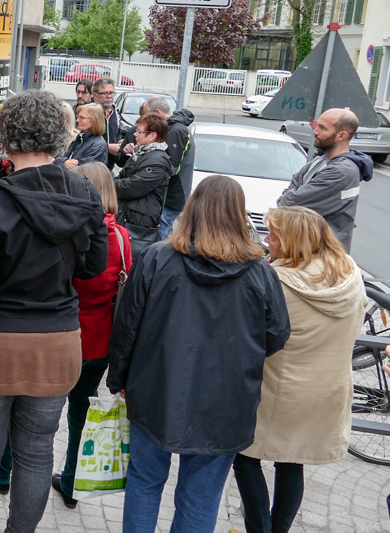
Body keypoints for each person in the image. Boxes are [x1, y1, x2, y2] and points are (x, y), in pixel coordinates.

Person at [0, 89, 108, 533]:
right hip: (57, 341)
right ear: (59, 135)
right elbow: (94, 267)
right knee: (37, 453)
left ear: (6, 134)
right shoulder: (85, 192)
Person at [106, 174, 291, 533]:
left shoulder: (157, 258)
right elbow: (277, 336)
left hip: (157, 386)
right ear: (239, 215)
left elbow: (126, 326)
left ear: (191, 210)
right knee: (200, 498)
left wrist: (119, 378)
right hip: (226, 399)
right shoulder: (260, 274)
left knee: (144, 482)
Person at [231, 206, 366, 533]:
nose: (267, 240)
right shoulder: (350, 273)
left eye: (274, 236)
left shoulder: (277, 281)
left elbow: (253, 334)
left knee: (244, 457)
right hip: (326, 391)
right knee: (292, 463)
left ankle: (259, 529)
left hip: (278, 390)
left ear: (293, 242)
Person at [51, 161, 133, 509]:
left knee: (31, 412)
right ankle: (72, 483)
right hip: (99, 340)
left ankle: (6, 474)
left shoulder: (64, 231)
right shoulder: (121, 237)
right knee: (80, 415)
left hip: (59, 334)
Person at [277, 108, 373, 252]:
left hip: (323, 256)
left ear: (341, 135)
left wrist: (288, 197)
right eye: (316, 125)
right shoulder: (320, 161)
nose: (315, 131)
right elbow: (291, 192)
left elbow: (288, 203)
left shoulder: (342, 171)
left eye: (322, 128)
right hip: (307, 251)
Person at [121, 96, 195, 239]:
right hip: (165, 197)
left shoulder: (176, 131)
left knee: (157, 239)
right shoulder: (172, 128)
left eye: (147, 116)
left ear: (157, 112)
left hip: (171, 198)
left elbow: (169, 167)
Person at [113, 113, 173, 260]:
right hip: (127, 218)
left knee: (131, 266)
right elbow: (122, 177)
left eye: (139, 131)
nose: (135, 134)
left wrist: (105, 183)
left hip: (139, 227)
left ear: (152, 135)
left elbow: (130, 187)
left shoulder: (158, 161)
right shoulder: (140, 154)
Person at [55, 103, 108, 169]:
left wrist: (64, 164)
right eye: (78, 117)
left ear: (94, 120)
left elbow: (83, 170)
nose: (77, 120)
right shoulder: (80, 138)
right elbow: (57, 157)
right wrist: (64, 162)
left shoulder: (98, 145)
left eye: (82, 118)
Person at [91, 77, 125, 170]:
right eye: (105, 93)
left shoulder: (115, 112)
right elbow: (83, 140)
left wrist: (120, 142)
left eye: (111, 93)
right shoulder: (88, 113)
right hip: (92, 165)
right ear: (95, 95)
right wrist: (107, 147)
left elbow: (117, 133)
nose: (109, 96)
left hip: (109, 166)